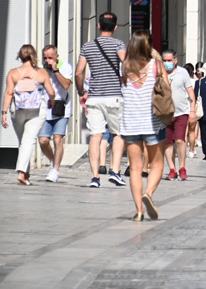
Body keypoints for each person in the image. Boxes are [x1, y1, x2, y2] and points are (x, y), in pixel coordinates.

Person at [120, 30, 168, 221]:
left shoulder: (123, 67)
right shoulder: (156, 65)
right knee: (157, 165)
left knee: (134, 168)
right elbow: (167, 91)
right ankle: (148, 193)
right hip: (152, 123)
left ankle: (139, 211)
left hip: (130, 124)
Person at [75, 12, 127, 188]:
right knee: (118, 134)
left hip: (94, 97)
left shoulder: (87, 46)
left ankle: (95, 177)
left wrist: (81, 90)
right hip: (114, 96)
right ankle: (115, 171)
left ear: (98, 26)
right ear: (115, 27)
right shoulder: (119, 44)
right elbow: (124, 61)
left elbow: (79, 72)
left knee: (95, 136)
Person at [2, 45, 55, 186]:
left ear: (20, 56)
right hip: (36, 110)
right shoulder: (42, 72)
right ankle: (21, 172)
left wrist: (4, 113)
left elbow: (8, 93)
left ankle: (25, 174)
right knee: (29, 140)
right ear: (34, 55)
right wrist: (52, 102)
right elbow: (51, 92)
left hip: (17, 110)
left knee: (23, 141)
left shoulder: (13, 73)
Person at [38, 45, 73, 183]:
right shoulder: (41, 68)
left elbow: (66, 85)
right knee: (43, 141)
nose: (47, 60)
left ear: (56, 57)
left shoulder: (66, 67)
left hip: (61, 108)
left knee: (58, 139)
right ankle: (53, 160)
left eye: (50, 58)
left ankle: (55, 170)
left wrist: (56, 70)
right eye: (45, 58)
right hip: (45, 108)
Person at [162, 49, 196, 181]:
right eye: (164, 60)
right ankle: (172, 169)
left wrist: (192, 110)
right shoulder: (159, 73)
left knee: (180, 140)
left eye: (169, 60)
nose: (167, 63)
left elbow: (191, 93)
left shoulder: (183, 73)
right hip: (165, 113)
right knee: (167, 143)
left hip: (181, 112)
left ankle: (182, 167)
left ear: (175, 60)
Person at [187, 62, 204, 158]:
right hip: (192, 107)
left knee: (185, 132)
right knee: (192, 131)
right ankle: (191, 151)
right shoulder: (195, 82)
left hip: (183, 107)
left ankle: (183, 149)